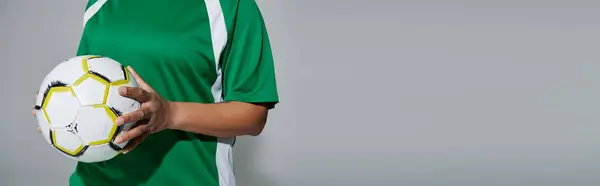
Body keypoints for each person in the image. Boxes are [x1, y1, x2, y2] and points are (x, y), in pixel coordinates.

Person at [31, 0, 279, 185]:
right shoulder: (100, 4)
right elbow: (87, 83)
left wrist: (170, 114)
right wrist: (58, 109)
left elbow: (253, 115)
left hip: (192, 179)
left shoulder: (230, 6)